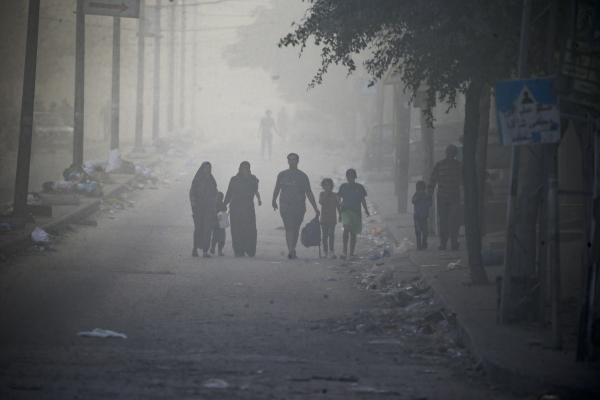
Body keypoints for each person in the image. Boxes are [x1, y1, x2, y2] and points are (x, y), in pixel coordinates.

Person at [272, 153, 320, 259]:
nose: (291, 161)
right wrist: (273, 200)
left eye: (293, 159)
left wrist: (315, 207)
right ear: (287, 161)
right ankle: (291, 250)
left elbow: (309, 192)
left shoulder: (302, 176)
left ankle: (292, 247)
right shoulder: (282, 175)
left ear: (298, 161)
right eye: (290, 159)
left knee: (295, 228)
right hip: (285, 205)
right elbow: (277, 188)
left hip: (299, 206)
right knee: (289, 227)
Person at [428, 144, 463, 251]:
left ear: (455, 155)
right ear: (446, 153)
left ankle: (453, 243)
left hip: (454, 197)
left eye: (453, 154)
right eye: (449, 153)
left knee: (454, 220)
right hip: (442, 197)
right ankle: (443, 243)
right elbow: (432, 181)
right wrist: (429, 196)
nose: (450, 156)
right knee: (443, 221)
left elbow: (464, 180)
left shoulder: (459, 166)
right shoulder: (439, 165)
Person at [224, 161, 262, 257]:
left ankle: (250, 250)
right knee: (236, 229)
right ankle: (238, 250)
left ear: (249, 169)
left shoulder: (253, 178)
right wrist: (224, 204)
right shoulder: (234, 179)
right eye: (243, 168)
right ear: (239, 168)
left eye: (246, 168)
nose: (244, 170)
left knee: (250, 229)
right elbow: (229, 192)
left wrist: (247, 177)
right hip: (235, 208)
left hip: (248, 207)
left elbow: (255, 188)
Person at [337, 169, 369, 260]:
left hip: (356, 212)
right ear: (347, 178)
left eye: (352, 177)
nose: (351, 179)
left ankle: (351, 253)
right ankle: (344, 252)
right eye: (349, 177)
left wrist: (366, 209)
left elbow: (362, 199)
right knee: (346, 228)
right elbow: (338, 196)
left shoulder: (359, 187)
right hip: (346, 211)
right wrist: (339, 202)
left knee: (353, 233)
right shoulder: (343, 187)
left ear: (355, 177)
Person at [189, 162, 218, 258]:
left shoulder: (212, 181)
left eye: (209, 168)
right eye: (206, 168)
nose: (208, 170)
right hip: (198, 209)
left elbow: (215, 193)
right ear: (202, 169)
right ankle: (195, 248)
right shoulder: (197, 180)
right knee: (198, 229)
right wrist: (193, 201)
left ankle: (205, 250)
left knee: (208, 230)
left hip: (209, 209)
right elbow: (192, 192)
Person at [319, 178, 342, 259]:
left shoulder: (335, 195)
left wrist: (340, 214)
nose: (327, 187)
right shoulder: (322, 194)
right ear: (323, 186)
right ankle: (325, 251)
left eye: (328, 185)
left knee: (331, 234)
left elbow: (338, 204)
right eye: (325, 185)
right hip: (324, 218)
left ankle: (331, 251)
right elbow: (321, 202)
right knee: (324, 235)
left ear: (332, 186)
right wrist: (326, 195)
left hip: (332, 218)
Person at [412, 180, 431, 250]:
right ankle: (419, 244)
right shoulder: (415, 194)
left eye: (421, 188)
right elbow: (414, 201)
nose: (419, 190)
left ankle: (424, 243)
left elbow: (429, 204)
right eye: (418, 188)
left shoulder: (426, 195)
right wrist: (418, 195)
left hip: (424, 215)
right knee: (418, 231)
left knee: (425, 231)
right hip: (417, 215)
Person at [209, 192, 227, 256]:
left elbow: (225, 209)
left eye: (220, 198)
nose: (219, 199)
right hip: (216, 223)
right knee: (215, 237)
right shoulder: (213, 205)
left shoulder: (222, 204)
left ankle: (219, 250)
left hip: (221, 223)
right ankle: (213, 248)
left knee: (221, 238)